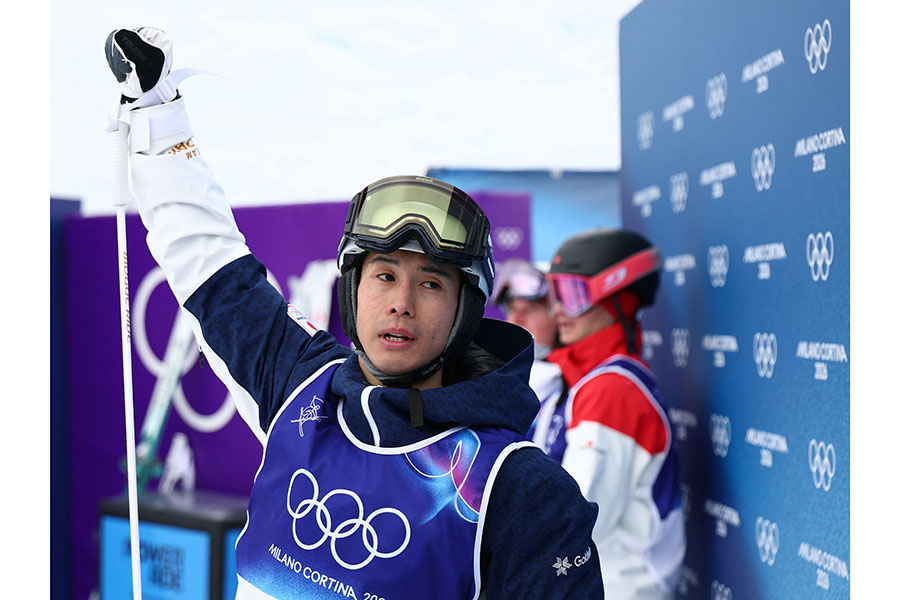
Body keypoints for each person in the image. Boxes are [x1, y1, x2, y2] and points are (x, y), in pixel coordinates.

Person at [104, 27, 604, 600]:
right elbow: (211, 263)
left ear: (464, 312)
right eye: (385, 275)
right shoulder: (301, 384)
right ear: (354, 290)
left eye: (432, 284)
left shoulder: (516, 487)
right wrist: (158, 117)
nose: (401, 302)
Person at [541, 228, 686, 599]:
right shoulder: (578, 380)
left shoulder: (611, 391)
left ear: (617, 299)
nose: (558, 309)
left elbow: (578, 519)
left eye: (573, 295)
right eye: (555, 293)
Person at [490, 259, 565, 447]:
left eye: (532, 309)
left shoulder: (574, 386)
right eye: (513, 308)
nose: (517, 318)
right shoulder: (485, 377)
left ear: (560, 319)